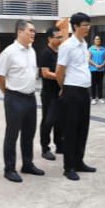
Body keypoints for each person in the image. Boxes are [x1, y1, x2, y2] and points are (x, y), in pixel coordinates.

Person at [0, 20, 45, 182]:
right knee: (12, 134)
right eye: (30, 30)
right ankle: (9, 169)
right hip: (15, 97)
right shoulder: (9, 52)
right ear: (20, 31)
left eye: (34, 30)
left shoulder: (32, 51)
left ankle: (27, 164)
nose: (33, 33)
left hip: (31, 97)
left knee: (29, 133)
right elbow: (0, 76)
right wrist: (8, 95)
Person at [56, 12, 96, 181]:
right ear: (76, 27)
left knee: (82, 128)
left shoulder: (83, 44)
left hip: (84, 91)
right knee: (70, 130)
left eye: (88, 24)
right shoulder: (67, 46)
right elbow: (59, 71)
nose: (88, 28)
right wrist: (64, 87)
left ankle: (79, 161)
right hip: (72, 92)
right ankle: (69, 167)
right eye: (85, 25)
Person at [39, 26, 65, 161]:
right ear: (50, 38)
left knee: (59, 120)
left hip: (60, 92)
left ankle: (59, 145)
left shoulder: (60, 52)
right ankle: (45, 149)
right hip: (49, 93)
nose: (60, 39)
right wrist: (60, 76)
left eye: (61, 37)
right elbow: (45, 73)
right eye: (58, 37)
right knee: (47, 121)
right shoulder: (46, 53)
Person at [89, 35, 105, 104]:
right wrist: (95, 65)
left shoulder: (103, 49)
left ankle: (100, 98)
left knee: (100, 84)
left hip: (101, 69)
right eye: (96, 39)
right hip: (93, 69)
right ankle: (93, 98)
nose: (97, 40)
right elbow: (89, 59)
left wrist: (102, 65)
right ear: (94, 40)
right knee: (93, 84)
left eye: (98, 39)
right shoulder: (90, 49)